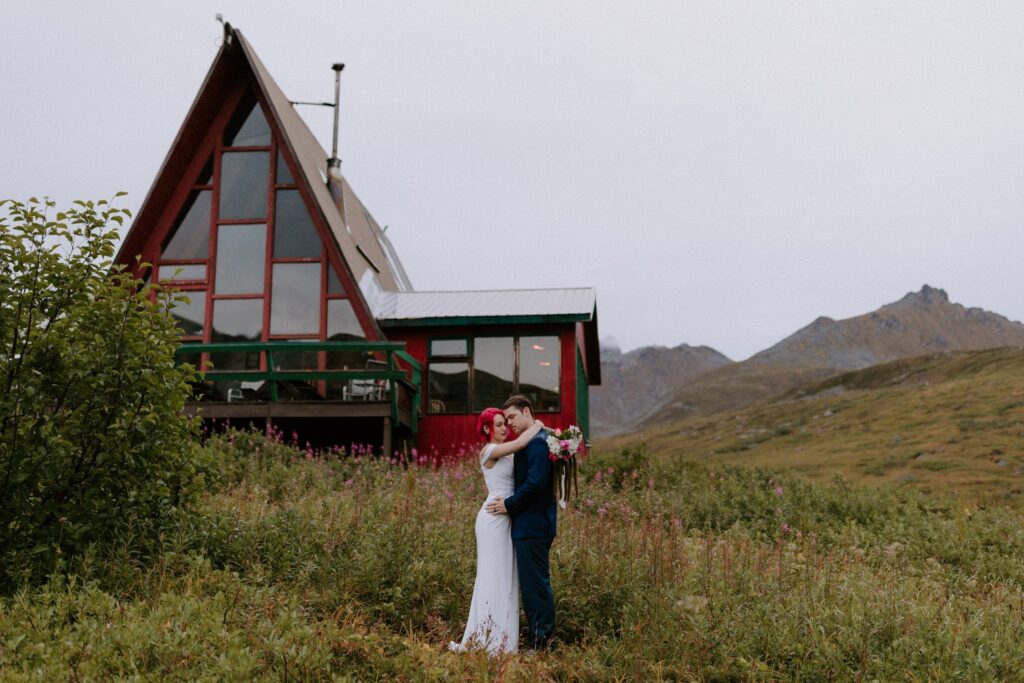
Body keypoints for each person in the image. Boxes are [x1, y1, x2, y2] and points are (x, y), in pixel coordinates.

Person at [449, 407, 544, 655]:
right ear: (486, 428)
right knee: (492, 575)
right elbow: (524, 440)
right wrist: (540, 425)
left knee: (507, 576)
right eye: (499, 424)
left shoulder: (510, 454)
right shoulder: (489, 451)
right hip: (492, 520)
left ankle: (503, 640)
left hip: (508, 516)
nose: (504, 428)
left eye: (505, 423)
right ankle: (487, 639)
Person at [485, 394, 557, 651]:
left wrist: (508, 504)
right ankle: (537, 638)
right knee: (531, 585)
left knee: (536, 585)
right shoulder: (531, 440)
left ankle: (544, 642)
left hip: (533, 525)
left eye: (512, 417)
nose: (510, 423)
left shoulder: (537, 443)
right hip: (528, 525)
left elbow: (535, 483)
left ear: (527, 412)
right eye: (505, 420)